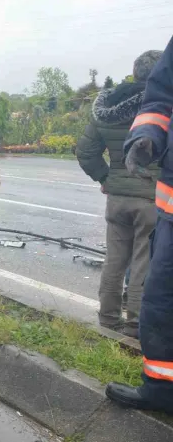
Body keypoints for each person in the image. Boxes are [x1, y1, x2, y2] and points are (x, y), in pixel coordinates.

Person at [106, 35, 173, 414]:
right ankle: (161, 390)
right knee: (161, 300)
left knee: (124, 266)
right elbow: (160, 100)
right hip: (168, 208)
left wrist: (104, 176)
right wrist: (146, 137)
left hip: (127, 199)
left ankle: (110, 322)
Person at [76, 50, 163, 338]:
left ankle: (108, 320)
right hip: (154, 199)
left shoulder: (108, 106)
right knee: (143, 264)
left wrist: (105, 177)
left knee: (115, 261)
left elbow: (86, 151)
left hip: (117, 198)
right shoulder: (161, 106)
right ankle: (135, 326)